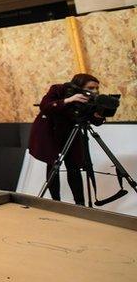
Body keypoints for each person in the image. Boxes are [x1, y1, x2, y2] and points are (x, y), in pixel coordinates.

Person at [29, 73, 104, 205]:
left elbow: (94, 120)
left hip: (71, 132)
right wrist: (69, 100)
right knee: (53, 165)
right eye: (91, 88)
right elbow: (45, 106)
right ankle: (56, 202)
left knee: (74, 167)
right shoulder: (58, 89)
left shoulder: (90, 98)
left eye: (96, 88)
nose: (95, 91)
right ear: (79, 86)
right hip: (51, 131)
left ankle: (80, 204)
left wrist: (99, 114)